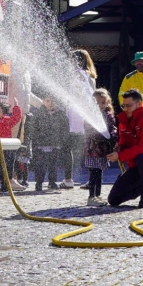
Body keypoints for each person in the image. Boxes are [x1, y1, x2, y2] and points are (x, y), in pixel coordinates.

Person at [61, 49, 97, 189]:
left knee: (66, 147)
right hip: (87, 115)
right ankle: (91, 179)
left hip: (76, 115)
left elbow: (82, 94)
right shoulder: (91, 75)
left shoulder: (77, 74)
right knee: (89, 148)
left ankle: (68, 179)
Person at [27, 95, 68, 191]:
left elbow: (65, 128)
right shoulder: (38, 113)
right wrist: (36, 140)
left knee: (53, 165)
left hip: (55, 143)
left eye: (53, 101)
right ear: (43, 101)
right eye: (48, 101)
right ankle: (39, 183)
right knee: (40, 165)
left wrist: (62, 140)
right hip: (41, 144)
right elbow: (33, 128)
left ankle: (52, 182)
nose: (51, 103)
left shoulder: (60, 114)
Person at [83, 89, 117, 207]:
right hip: (93, 149)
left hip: (102, 150)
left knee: (99, 172)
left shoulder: (108, 115)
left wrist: (113, 136)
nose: (100, 106)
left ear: (107, 103)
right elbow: (88, 129)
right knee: (93, 173)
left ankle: (97, 195)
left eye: (103, 103)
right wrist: (100, 135)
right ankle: (91, 196)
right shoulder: (89, 116)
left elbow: (112, 127)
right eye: (97, 103)